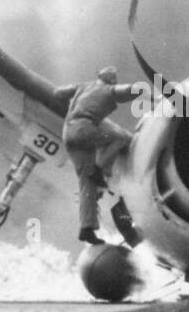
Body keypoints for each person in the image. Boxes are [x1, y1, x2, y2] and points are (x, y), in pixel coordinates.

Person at [54, 67, 135, 244]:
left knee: (86, 184)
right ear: (112, 80)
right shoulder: (109, 89)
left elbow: (57, 93)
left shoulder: (82, 86)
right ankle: (100, 169)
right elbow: (128, 91)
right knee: (119, 137)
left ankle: (86, 229)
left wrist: (74, 103)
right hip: (85, 129)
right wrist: (146, 92)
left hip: (68, 132)